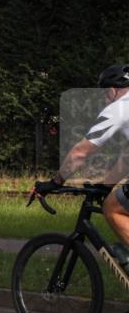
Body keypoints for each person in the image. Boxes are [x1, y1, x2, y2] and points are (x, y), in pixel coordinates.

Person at [33, 64, 129, 266]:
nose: (104, 98)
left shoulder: (120, 107)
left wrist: (55, 182)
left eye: (104, 92)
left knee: (112, 208)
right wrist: (106, 185)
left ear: (114, 88)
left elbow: (80, 152)